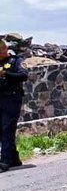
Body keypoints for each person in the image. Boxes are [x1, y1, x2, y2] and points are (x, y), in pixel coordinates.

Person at [0, 39, 29, 172]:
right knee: (2, 130)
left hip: (12, 98)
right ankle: (14, 159)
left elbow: (23, 75)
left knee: (7, 128)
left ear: (5, 49)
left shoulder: (16, 61)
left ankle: (4, 161)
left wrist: (6, 73)